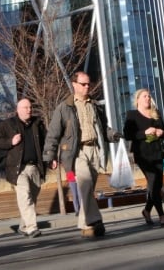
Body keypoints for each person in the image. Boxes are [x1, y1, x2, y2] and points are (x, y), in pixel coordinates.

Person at [43, 71, 122, 238]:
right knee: (85, 185)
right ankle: (95, 220)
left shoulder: (95, 105)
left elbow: (102, 129)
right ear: (74, 85)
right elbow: (53, 133)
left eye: (88, 84)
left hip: (95, 150)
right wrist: (50, 156)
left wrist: (113, 135)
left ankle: (85, 226)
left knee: (88, 189)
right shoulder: (65, 107)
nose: (87, 87)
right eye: (83, 84)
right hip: (76, 152)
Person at [0, 98, 46, 238]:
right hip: (18, 168)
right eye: (26, 107)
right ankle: (32, 227)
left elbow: (45, 142)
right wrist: (11, 141)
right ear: (18, 110)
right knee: (25, 196)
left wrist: (51, 159)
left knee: (32, 198)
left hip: (35, 167)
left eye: (31, 107)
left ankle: (23, 226)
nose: (29, 110)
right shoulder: (8, 125)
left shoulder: (37, 123)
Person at [124, 89, 164, 226]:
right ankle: (162, 215)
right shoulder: (132, 115)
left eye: (149, 96)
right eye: (144, 96)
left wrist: (161, 132)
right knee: (153, 182)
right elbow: (128, 135)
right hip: (143, 155)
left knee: (156, 185)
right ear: (137, 99)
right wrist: (145, 132)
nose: (148, 98)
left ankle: (147, 210)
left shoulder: (156, 114)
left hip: (157, 152)